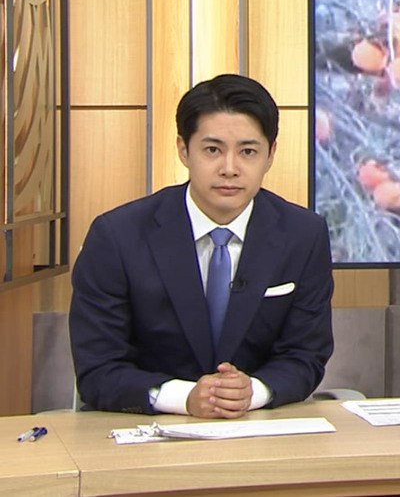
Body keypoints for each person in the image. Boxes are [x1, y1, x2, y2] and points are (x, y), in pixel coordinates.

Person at [70, 74, 334, 416]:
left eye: (248, 152)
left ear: (270, 155)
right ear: (184, 150)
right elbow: (98, 369)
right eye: (212, 150)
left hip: (259, 426)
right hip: (146, 428)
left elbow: (305, 355)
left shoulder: (304, 235)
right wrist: (186, 397)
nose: (229, 168)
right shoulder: (117, 236)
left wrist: (251, 392)